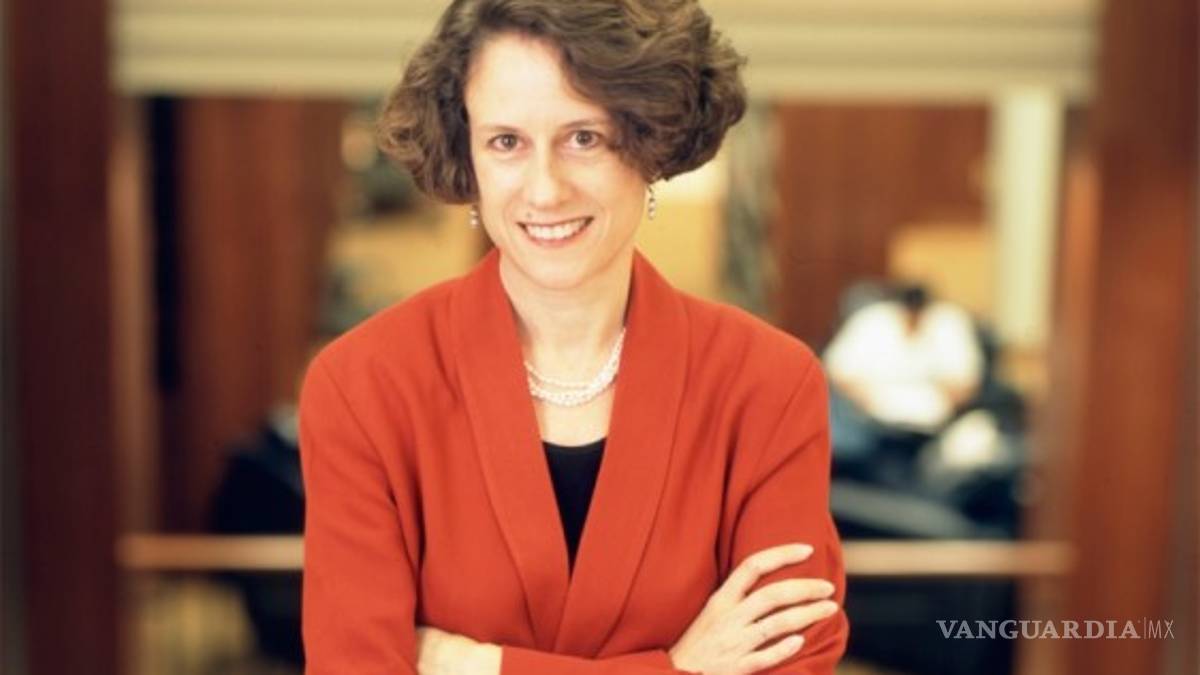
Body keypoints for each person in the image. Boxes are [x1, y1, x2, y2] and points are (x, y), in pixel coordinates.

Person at [299, 1, 848, 673]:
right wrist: (678, 667)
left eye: (584, 137)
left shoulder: (768, 383)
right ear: (467, 155)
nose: (545, 190)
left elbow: (793, 660)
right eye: (506, 142)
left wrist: (476, 664)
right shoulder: (362, 385)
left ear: (650, 141)